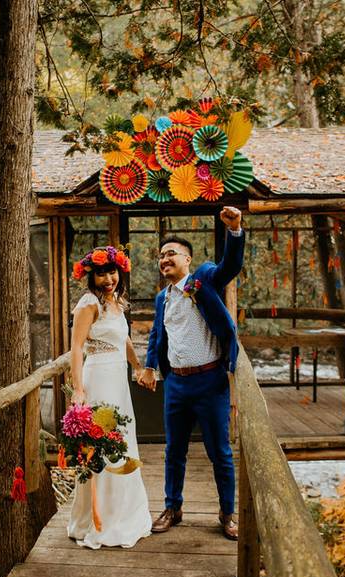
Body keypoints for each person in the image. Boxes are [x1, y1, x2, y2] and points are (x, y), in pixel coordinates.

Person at [138, 206, 245, 540]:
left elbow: (231, 265)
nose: (164, 259)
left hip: (210, 382)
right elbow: (158, 334)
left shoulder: (205, 278)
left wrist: (235, 230)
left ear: (187, 259)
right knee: (174, 452)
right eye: (160, 255)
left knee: (220, 453)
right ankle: (173, 507)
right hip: (177, 385)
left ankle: (228, 513)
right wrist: (151, 366)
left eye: (171, 253)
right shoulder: (162, 298)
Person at [66, 245, 152, 549]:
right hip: (98, 379)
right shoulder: (88, 304)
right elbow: (76, 348)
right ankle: (98, 519)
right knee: (101, 445)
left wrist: (139, 366)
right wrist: (78, 388)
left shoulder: (116, 302)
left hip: (118, 379)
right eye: (102, 273)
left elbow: (124, 339)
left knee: (122, 440)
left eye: (112, 272)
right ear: (92, 276)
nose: (108, 278)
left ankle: (123, 513)